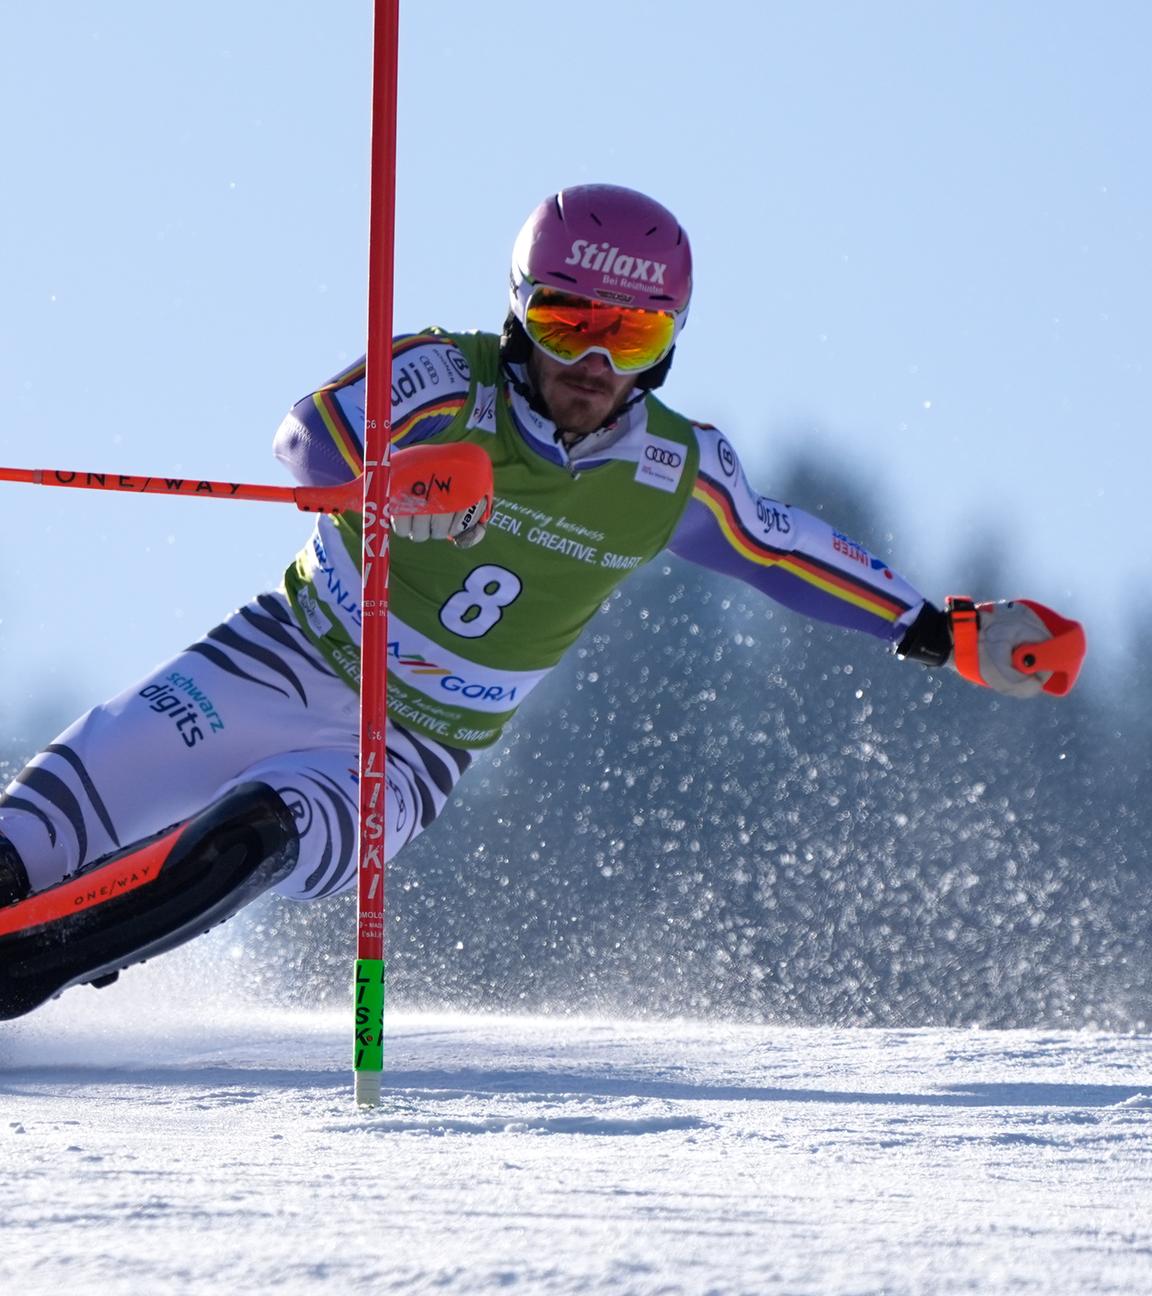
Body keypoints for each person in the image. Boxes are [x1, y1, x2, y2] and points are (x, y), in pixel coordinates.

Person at [0, 184, 1084, 1018]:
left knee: (253, 841)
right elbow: (307, 437)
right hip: (280, 659)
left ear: (670, 343)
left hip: (407, 748)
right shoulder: (445, 376)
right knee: (32, 836)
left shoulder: (673, 469)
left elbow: (782, 549)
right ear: (521, 313)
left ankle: (24, 980)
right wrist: (386, 484)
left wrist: (945, 632)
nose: (595, 363)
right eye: (570, 324)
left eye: (634, 336)